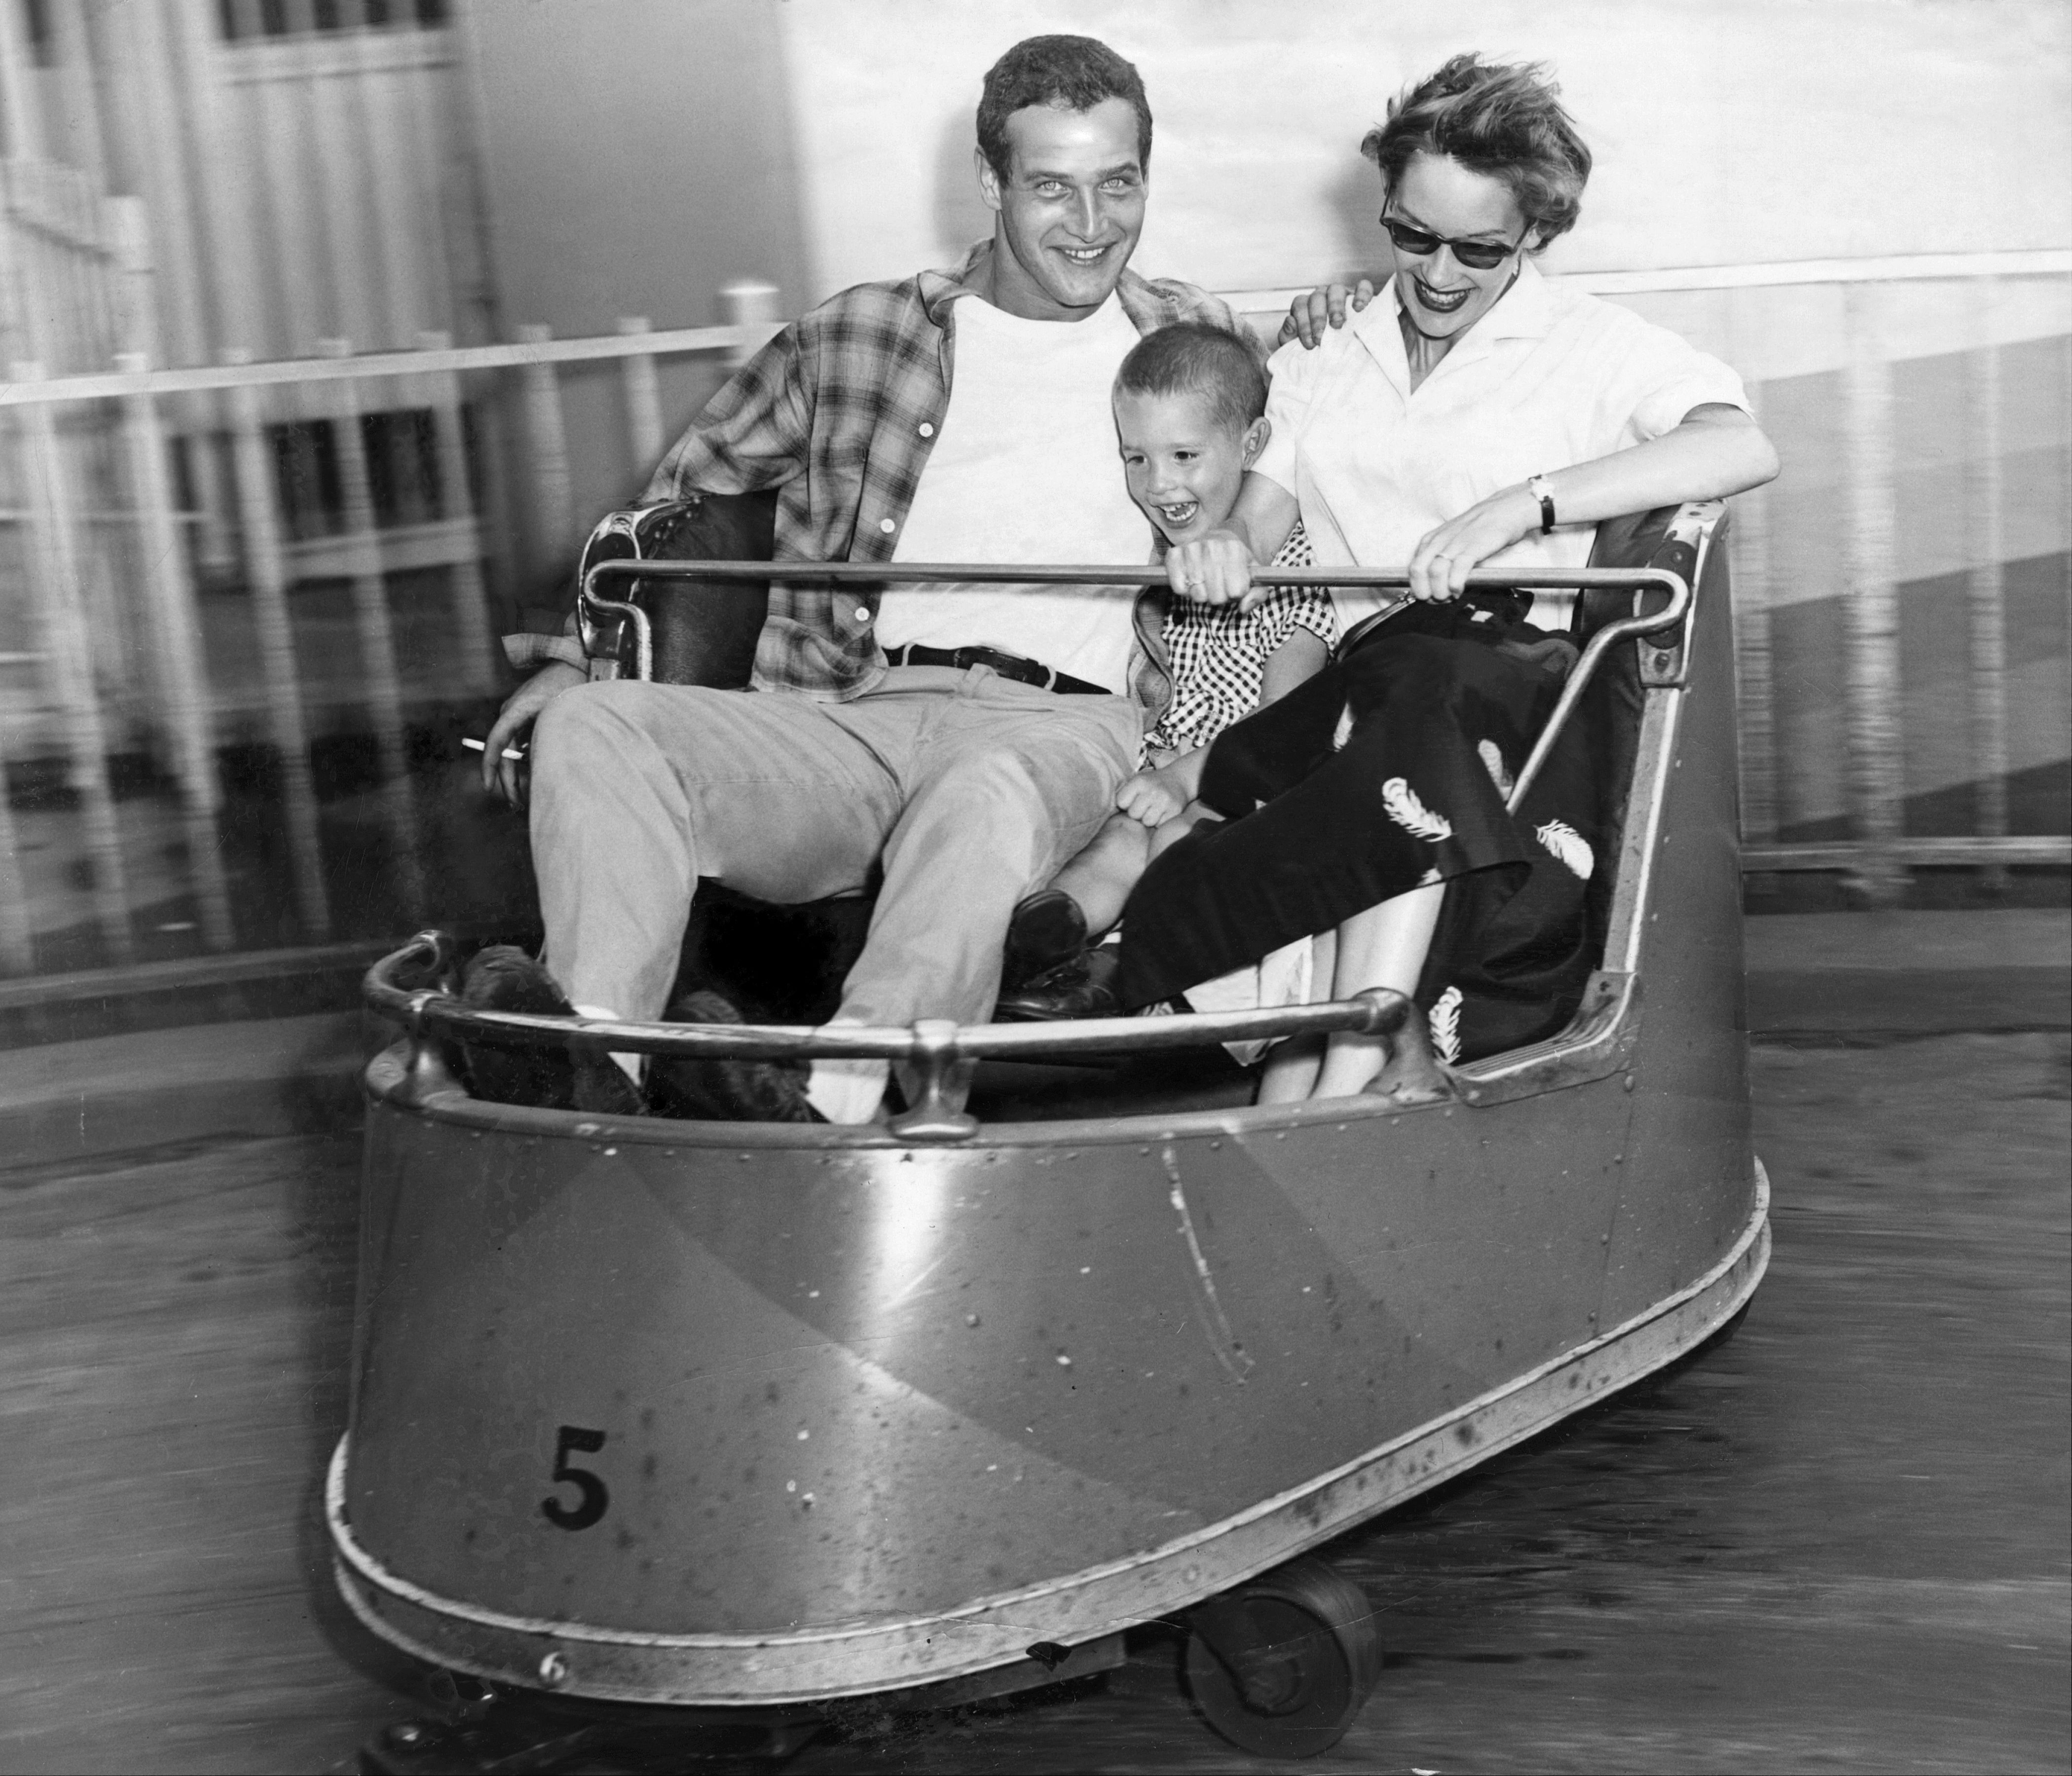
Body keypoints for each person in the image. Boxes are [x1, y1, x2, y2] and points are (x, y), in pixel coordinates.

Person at [476, 36, 1253, 1125]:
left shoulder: (1197, 342)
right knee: (600, 727)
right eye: (1052, 188)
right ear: (990, 184)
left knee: (981, 797)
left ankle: (831, 1097)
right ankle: (598, 1068)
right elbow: (681, 500)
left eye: (1117, 185)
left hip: (1068, 729)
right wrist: (574, 662)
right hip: (857, 711)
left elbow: (1294, 482)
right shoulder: (859, 336)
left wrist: (1335, 327)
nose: (1091, 225)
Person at [1115, 53, 1779, 1103]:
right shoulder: (1329, 351)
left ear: (1537, 237)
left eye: (1479, 248)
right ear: (1383, 204)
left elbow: (1741, 448)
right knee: (1394, 692)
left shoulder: (1590, 345)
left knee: (1426, 687)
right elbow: (1259, 512)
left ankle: (1343, 1062)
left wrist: (1527, 501)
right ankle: (1338, 1071)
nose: (1436, 274)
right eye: (1412, 234)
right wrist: (1217, 543)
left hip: (1517, 688)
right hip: (1360, 685)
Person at [998, 321, 1337, 1018]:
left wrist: (1182, 781)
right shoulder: (1166, 561)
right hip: (1168, 768)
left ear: (1252, 446)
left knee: (1184, 841)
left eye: (1184, 455)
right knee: (1117, 835)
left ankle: (1129, 963)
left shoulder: (1294, 566)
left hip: (1245, 786)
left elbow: (1281, 729)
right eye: (1137, 459)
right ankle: (1046, 938)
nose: (1160, 484)